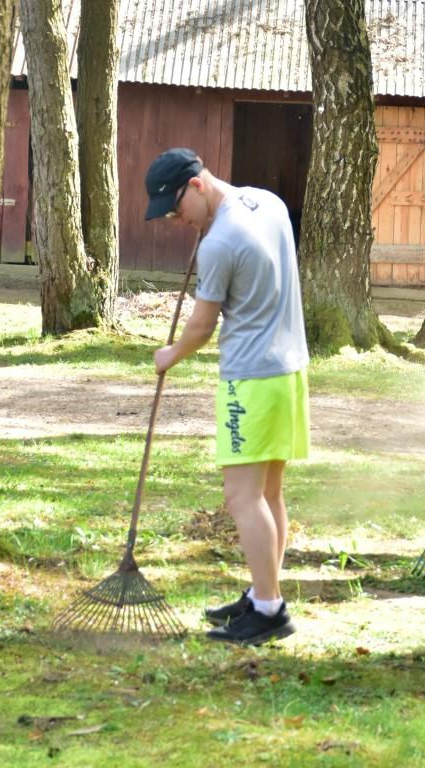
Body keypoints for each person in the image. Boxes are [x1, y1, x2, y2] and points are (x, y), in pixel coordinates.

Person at [145, 147, 310, 645]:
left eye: (175, 210)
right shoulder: (266, 202)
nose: (176, 221)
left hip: (251, 379)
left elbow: (200, 326)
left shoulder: (219, 243)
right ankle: (265, 592)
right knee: (269, 493)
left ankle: (269, 609)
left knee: (241, 497)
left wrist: (168, 356)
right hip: (289, 369)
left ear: (196, 185)